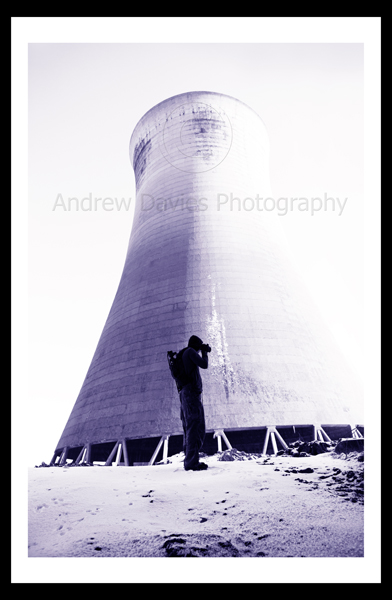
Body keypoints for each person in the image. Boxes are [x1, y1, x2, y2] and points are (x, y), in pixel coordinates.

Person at [180, 335, 210, 471]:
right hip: (191, 394)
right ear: (196, 345)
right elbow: (204, 365)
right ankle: (191, 462)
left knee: (189, 426)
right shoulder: (190, 352)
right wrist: (204, 353)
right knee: (194, 426)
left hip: (185, 393)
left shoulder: (183, 354)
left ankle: (190, 459)